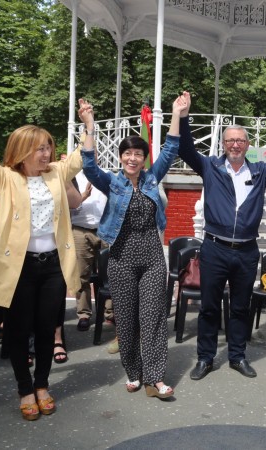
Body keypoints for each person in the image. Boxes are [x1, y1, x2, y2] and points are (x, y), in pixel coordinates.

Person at [0, 89, 88, 421]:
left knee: (48, 328)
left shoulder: (56, 173)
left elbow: (80, 156)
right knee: (19, 331)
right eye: (39, 147)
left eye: (48, 146)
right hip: (17, 269)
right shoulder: (5, 177)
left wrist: (88, 124)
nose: (46, 152)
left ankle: (43, 385)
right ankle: (24, 389)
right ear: (21, 151)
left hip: (52, 267)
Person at [180, 103, 266, 381]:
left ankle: (237, 356)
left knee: (241, 307)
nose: (235, 144)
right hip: (214, 248)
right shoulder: (210, 166)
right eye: (230, 140)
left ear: (247, 144)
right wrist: (183, 118)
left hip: (246, 250)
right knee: (209, 306)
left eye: (240, 140)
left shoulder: (259, 171)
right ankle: (205, 358)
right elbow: (185, 150)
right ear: (223, 143)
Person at [82, 93, 186, 399]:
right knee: (126, 319)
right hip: (121, 259)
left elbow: (171, 148)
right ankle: (133, 371)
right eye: (127, 153)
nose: (132, 158)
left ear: (143, 158)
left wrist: (177, 114)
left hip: (153, 257)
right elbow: (89, 166)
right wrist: (89, 124)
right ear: (121, 157)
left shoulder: (153, 178)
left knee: (153, 318)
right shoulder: (112, 182)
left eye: (138, 153)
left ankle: (155, 377)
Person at [70, 167, 108, 332]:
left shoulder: (107, 175)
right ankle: (84, 313)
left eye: (93, 153)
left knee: (110, 273)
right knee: (81, 274)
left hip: (105, 229)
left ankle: (110, 312)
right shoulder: (71, 178)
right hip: (80, 228)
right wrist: (82, 198)